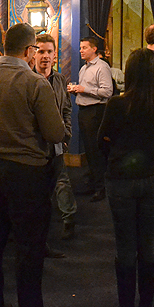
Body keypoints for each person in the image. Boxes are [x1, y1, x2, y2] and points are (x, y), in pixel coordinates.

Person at [0, 23, 69, 307]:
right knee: (29, 249)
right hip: (27, 173)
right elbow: (55, 133)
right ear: (29, 51)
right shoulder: (35, 83)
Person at [97, 49, 154, 307]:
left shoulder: (117, 104)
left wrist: (117, 155)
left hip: (121, 180)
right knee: (148, 245)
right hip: (153, 178)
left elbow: (101, 141)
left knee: (125, 245)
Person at [35, 33, 77, 241]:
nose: (45, 56)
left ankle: (69, 220)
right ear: (33, 54)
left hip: (57, 140)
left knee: (61, 180)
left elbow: (66, 109)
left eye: (49, 52)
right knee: (36, 184)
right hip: (34, 142)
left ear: (54, 55)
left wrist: (66, 133)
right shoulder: (28, 79)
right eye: (41, 51)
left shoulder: (59, 79)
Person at [68, 36, 113, 202]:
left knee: (96, 151)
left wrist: (84, 89)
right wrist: (77, 91)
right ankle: (94, 183)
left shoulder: (102, 67)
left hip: (95, 112)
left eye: (84, 47)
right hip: (84, 111)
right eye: (80, 48)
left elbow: (107, 92)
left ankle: (101, 188)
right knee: (89, 150)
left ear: (94, 49)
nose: (81, 50)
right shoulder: (83, 69)